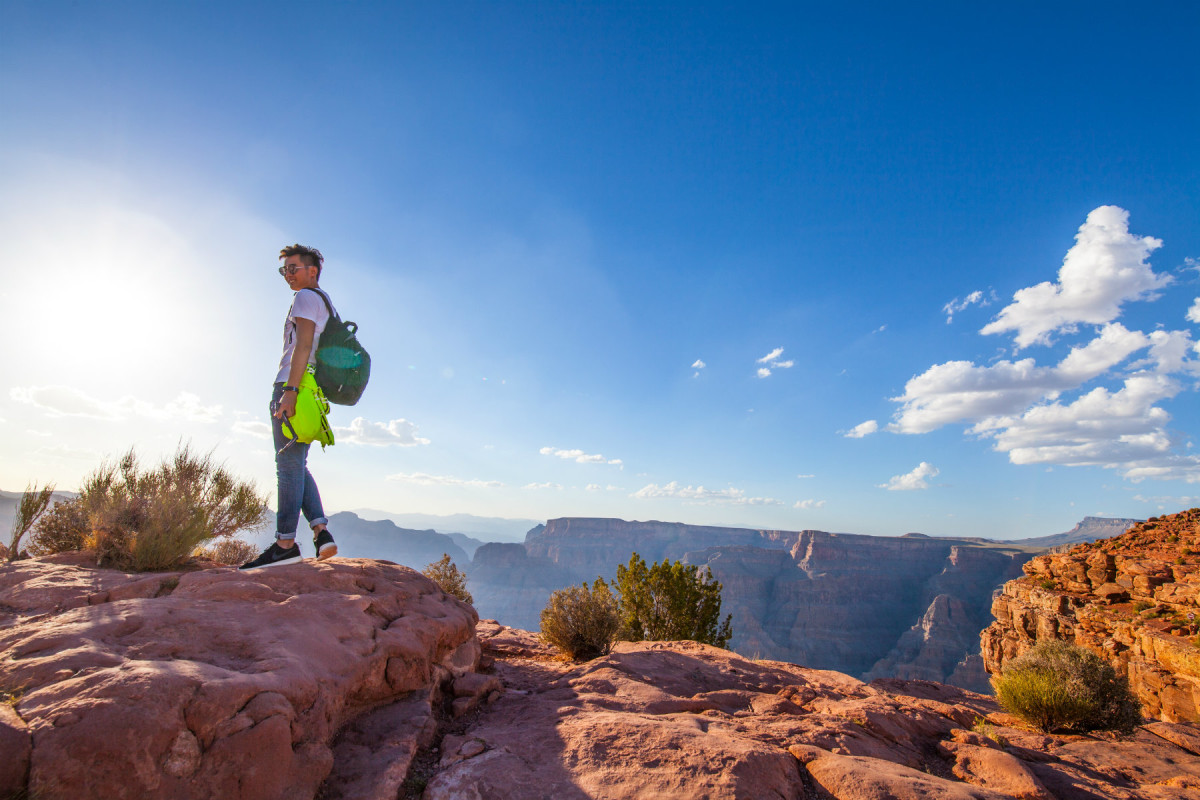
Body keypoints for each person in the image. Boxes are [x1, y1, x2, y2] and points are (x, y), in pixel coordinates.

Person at [240, 244, 339, 570]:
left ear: (312, 271)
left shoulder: (306, 297)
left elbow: (304, 345)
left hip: (293, 386)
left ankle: (285, 544)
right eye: (283, 270)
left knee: (287, 465)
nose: (288, 275)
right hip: (310, 389)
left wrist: (290, 392)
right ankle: (321, 532)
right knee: (296, 461)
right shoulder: (324, 302)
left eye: (293, 268)